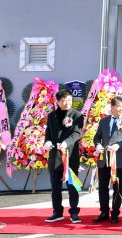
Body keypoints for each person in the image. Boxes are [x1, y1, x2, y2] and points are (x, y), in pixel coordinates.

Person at [43, 89, 84, 223]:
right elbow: (48, 133)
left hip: (70, 155)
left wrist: (66, 143)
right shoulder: (51, 116)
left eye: (69, 100)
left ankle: (74, 212)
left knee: (72, 186)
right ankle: (57, 212)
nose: (67, 103)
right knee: (55, 186)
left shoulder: (77, 116)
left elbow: (77, 134)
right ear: (58, 102)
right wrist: (47, 142)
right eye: (64, 100)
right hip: (55, 155)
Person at [93, 97, 122, 224]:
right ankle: (104, 212)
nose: (121, 108)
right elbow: (97, 137)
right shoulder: (104, 121)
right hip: (104, 159)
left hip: (119, 159)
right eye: (118, 106)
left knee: (117, 187)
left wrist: (119, 145)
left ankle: (115, 212)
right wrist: (97, 145)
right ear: (111, 107)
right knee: (102, 187)